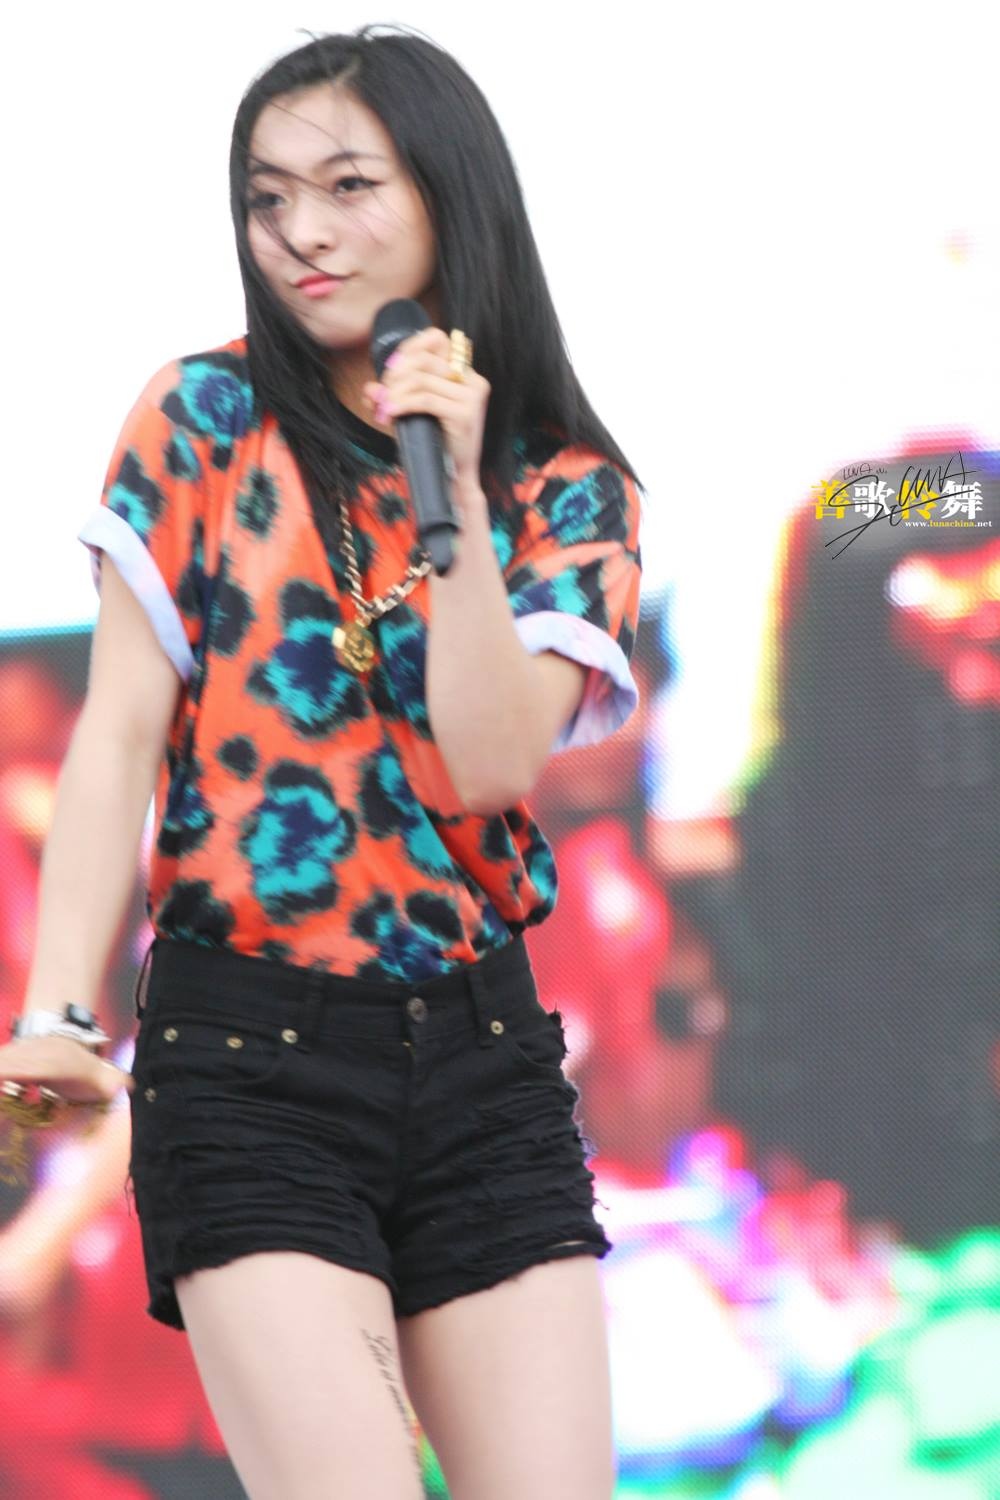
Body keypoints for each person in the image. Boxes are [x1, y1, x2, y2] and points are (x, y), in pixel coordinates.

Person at [0, 24, 644, 1499]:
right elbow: (118, 734)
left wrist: (454, 497)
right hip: (248, 1060)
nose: (300, 231)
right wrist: (57, 1013)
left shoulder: (568, 485)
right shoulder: (199, 418)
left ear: (447, 193)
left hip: (484, 1066)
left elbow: (489, 763)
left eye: (347, 186)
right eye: (267, 197)